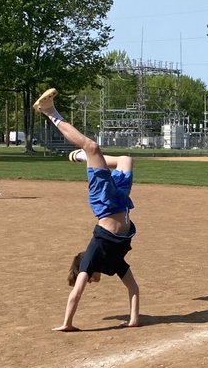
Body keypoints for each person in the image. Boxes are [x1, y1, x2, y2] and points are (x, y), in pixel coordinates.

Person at [33, 88, 140, 331]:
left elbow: (75, 294)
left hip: (104, 203)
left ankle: (49, 112)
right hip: (121, 201)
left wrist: (66, 324)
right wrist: (133, 320)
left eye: (88, 279)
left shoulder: (90, 259)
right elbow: (133, 288)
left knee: (92, 146)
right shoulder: (112, 264)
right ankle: (83, 157)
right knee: (125, 160)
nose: (92, 282)